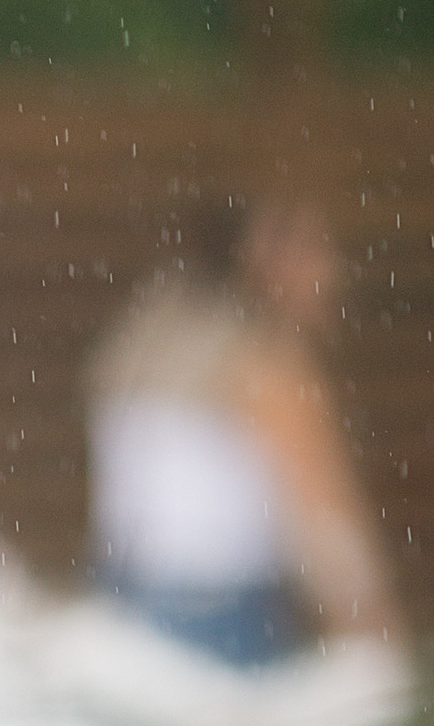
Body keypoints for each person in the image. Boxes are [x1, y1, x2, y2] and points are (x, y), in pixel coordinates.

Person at [86, 193, 403, 668]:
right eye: (313, 250)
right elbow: (328, 529)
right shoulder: (264, 363)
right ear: (263, 260)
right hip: (218, 621)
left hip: (121, 607)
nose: (332, 272)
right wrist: (377, 649)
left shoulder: (145, 339)